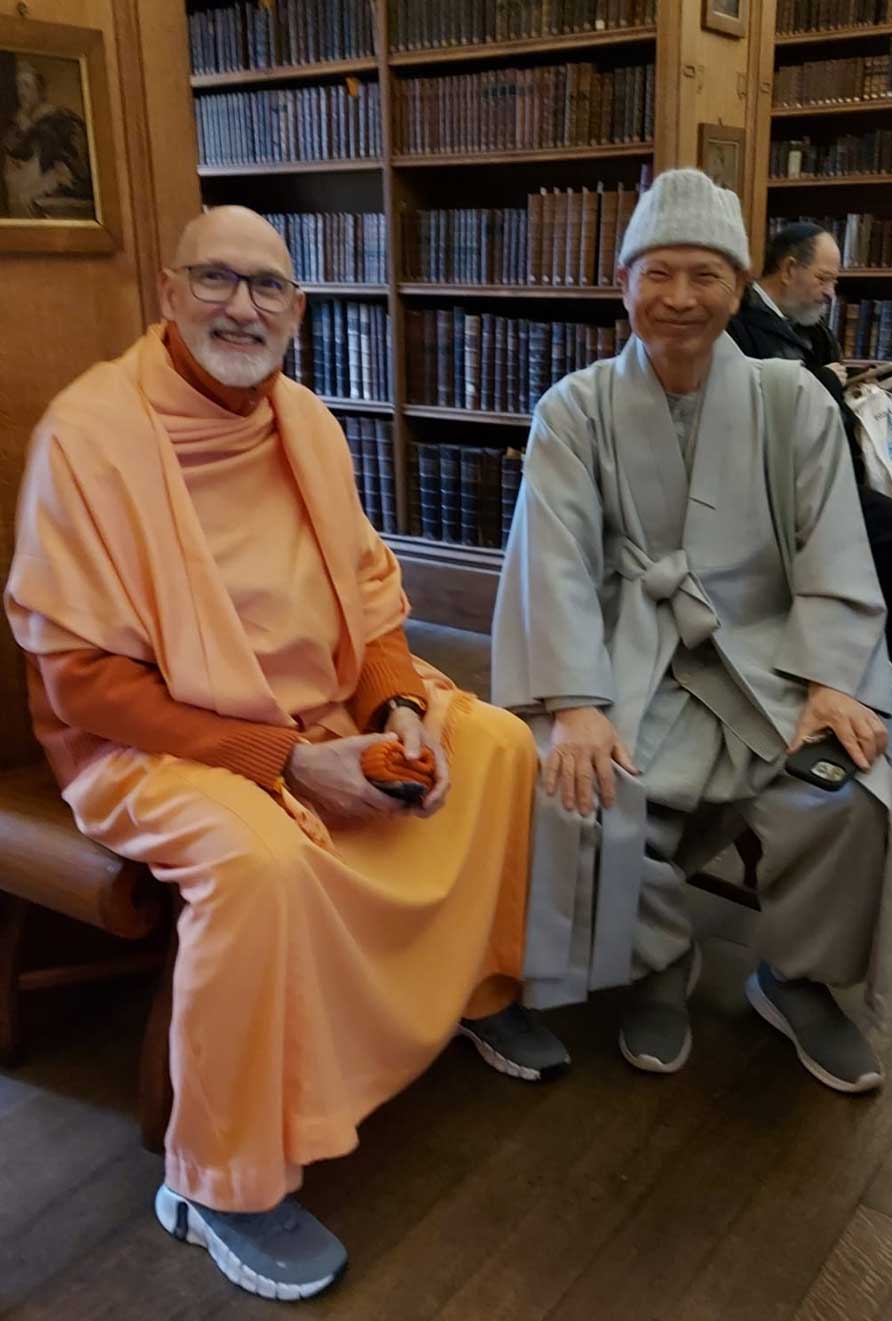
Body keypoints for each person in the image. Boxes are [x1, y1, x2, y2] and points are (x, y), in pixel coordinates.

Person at [4, 206, 567, 1303]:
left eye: (267, 287)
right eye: (216, 279)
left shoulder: (305, 419)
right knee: (257, 862)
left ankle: (474, 989)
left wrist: (398, 706)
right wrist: (283, 760)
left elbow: (370, 597)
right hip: (149, 736)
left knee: (496, 744)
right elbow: (82, 682)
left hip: (323, 705)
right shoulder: (88, 433)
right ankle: (216, 1182)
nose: (241, 308)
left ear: (298, 311)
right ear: (169, 292)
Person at [492, 169, 892, 1097]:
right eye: (659, 273)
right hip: (626, 654)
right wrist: (574, 701)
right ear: (623, 283)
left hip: (773, 653)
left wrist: (832, 679)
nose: (680, 298)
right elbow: (552, 564)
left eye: (706, 275)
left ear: (740, 285)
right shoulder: (573, 409)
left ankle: (795, 979)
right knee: (575, 786)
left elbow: (833, 549)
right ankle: (656, 965)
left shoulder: (792, 400)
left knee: (849, 793)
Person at [728, 222, 892, 666]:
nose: (830, 293)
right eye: (824, 279)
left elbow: (829, 389)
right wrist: (824, 383)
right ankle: (871, 647)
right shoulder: (739, 325)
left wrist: (861, 388)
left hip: (841, 455)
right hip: (790, 475)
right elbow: (748, 406)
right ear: (788, 269)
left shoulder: (812, 325)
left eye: (834, 281)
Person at [2, 60, 93, 220]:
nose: (22, 93)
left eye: (27, 86)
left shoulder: (58, 120)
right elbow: (16, 152)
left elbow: (72, 162)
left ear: (40, 91)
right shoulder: (22, 123)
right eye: (19, 87)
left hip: (65, 184)